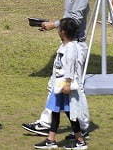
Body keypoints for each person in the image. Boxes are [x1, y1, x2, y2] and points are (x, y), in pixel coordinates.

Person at [33, 18, 89, 150]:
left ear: (63, 32)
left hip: (64, 85)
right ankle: (50, 140)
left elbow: (70, 67)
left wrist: (68, 84)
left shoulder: (70, 48)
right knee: (55, 112)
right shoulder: (65, 45)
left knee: (71, 114)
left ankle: (80, 141)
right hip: (59, 84)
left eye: (59, 28)